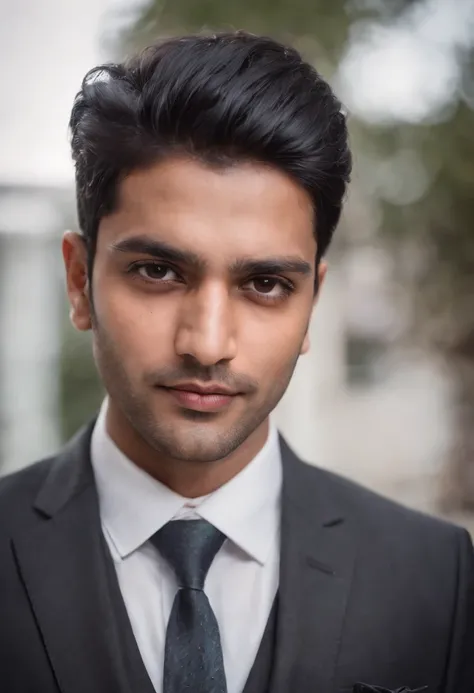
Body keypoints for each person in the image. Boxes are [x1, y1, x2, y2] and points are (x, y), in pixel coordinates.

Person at [0, 31, 472, 693]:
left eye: (266, 284)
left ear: (313, 301)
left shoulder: (437, 575)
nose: (207, 342)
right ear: (79, 281)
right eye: (159, 270)